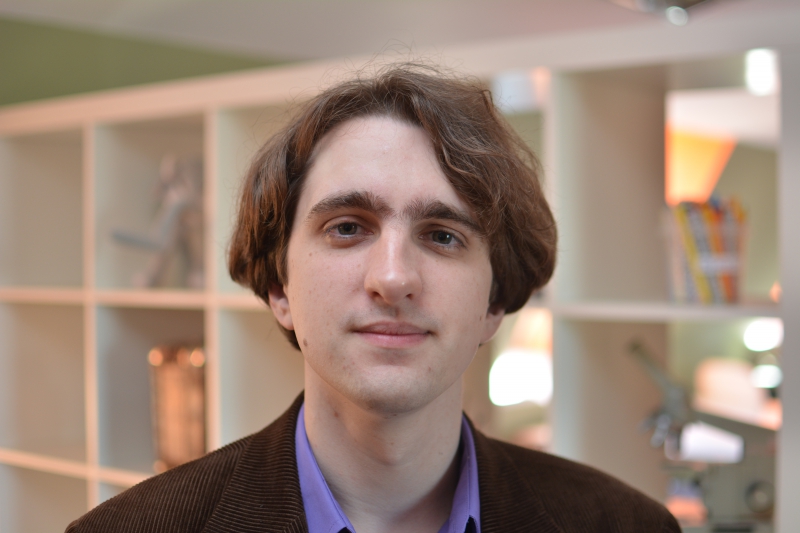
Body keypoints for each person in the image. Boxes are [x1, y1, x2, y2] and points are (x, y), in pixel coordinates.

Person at [67, 64, 680, 533]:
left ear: (495, 302)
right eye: (348, 228)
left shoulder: (627, 526)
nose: (392, 277)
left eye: (442, 236)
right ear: (279, 287)